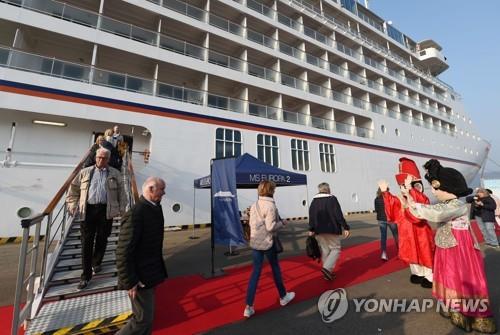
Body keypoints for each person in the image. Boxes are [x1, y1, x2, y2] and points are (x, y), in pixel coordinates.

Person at [406, 159, 496, 333]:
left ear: (450, 187)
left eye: (436, 188)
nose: (434, 191)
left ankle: (471, 314)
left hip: (459, 248)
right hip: (447, 246)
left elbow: (436, 213)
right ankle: (454, 308)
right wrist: (410, 196)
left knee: (459, 276)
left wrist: (412, 200)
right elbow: (432, 210)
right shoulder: (449, 204)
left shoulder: (457, 205)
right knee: (449, 276)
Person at [66, 148, 127, 289]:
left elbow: (122, 194)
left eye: (104, 158)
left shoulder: (115, 173)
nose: (101, 160)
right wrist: (73, 204)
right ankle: (86, 276)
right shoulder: (85, 172)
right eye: (99, 157)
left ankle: (97, 262)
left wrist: (122, 210)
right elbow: (73, 190)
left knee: (102, 238)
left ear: (109, 159)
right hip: (87, 211)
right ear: (95, 157)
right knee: (86, 242)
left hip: (106, 211)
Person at [116, 177, 167, 335]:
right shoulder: (136, 213)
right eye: (161, 189)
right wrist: (130, 281)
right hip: (139, 277)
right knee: (142, 319)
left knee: (148, 319)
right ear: (151, 189)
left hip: (149, 273)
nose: (164, 193)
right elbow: (123, 251)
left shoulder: (154, 207)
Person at [379, 157, 435, 288]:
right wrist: (385, 192)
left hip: (420, 230)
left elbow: (422, 205)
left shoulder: (419, 195)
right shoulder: (401, 197)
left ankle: (429, 275)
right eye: (403, 185)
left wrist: (411, 190)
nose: (405, 187)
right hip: (406, 231)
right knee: (411, 252)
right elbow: (393, 207)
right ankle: (417, 273)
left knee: (424, 251)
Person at [244, 181, 295, 318]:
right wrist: (282, 223)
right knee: (275, 269)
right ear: (271, 191)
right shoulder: (270, 205)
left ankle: (248, 306)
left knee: (255, 273)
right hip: (268, 242)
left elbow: (251, 223)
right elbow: (270, 227)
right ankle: (283, 296)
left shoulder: (254, 205)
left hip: (256, 242)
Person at [308, 182, 350, 280]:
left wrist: (311, 229)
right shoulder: (332, 199)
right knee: (336, 249)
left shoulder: (314, 201)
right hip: (332, 229)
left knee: (325, 250)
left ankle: (327, 274)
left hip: (318, 230)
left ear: (319, 190)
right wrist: (346, 227)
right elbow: (338, 215)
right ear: (328, 189)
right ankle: (327, 268)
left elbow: (312, 216)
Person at [374, 187, 398, 260]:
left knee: (383, 237)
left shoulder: (376, 199)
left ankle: (383, 253)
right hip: (390, 219)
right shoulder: (390, 198)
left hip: (381, 219)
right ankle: (400, 251)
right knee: (396, 235)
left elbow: (376, 210)